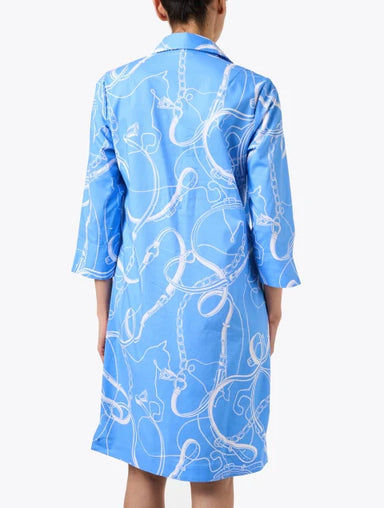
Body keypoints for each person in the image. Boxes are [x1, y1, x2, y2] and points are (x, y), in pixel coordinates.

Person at [71, 0, 301, 506]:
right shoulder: (254, 92)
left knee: (143, 467)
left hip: (140, 306)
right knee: (213, 475)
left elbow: (100, 214)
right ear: (220, 3)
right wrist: (274, 309)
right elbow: (272, 218)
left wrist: (104, 313)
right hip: (226, 307)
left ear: (159, 7)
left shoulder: (115, 88)